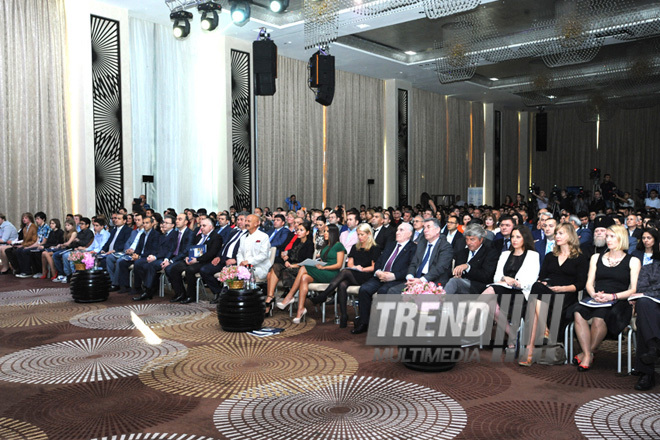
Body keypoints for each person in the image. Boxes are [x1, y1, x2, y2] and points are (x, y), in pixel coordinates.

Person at [572, 224, 641, 372]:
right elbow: (589, 283)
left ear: (621, 238)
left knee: (599, 317)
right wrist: (594, 294)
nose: (607, 239)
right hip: (596, 297)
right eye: (607, 236)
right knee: (578, 311)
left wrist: (613, 296)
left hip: (619, 299)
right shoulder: (596, 257)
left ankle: (586, 355)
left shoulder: (633, 260)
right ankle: (588, 353)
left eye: (612, 236)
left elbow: (633, 289)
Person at [520, 224, 589, 366]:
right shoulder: (550, 256)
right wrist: (545, 283)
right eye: (556, 233)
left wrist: (563, 288)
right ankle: (543, 330)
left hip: (566, 296)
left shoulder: (580, 258)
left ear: (570, 236)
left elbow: (581, 284)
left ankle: (530, 350)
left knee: (534, 305)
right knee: (537, 286)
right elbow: (542, 277)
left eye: (561, 233)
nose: (557, 236)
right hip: (547, 293)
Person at [479, 224, 540, 348]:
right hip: (503, 289)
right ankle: (512, 335)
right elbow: (496, 278)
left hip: (520, 292)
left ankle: (467, 319)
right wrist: (504, 278)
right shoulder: (505, 254)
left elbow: (532, 280)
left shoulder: (533, 255)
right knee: (491, 300)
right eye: (512, 237)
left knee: (490, 291)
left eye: (518, 237)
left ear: (525, 238)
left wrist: (517, 282)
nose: (514, 239)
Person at [311, 223, 381, 328]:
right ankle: (344, 315)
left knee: (344, 272)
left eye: (362, 234)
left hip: (367, 276)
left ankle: (324, 295)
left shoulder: (375, 247)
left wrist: (361, 268)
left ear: (369, 234)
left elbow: (373, 267)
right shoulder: (355, 247)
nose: (360, 237)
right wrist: (355, 267)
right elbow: (350, 264)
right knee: (342, 284)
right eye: (358, 234)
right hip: (354, 273)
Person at [352, 223, 417, 334]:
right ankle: (364, 323)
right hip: (380, 276)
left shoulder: (413, 248)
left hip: (396, 279)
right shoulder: (391, 245)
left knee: (384, 291)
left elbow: (412, 267)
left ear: (409, 234)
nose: (397, 232)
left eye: (401, 230)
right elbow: (379, 261)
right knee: (364, 289)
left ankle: (383, 325)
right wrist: (378, 272)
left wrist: (394, 276)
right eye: (397, 230)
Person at [276, 224, 346, 324]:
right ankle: (300, 310)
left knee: (304, 268)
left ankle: (289, 296)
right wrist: (319, 264)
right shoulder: (325, 246)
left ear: (333, 233)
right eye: (325, 231)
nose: (325, 233)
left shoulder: (339, 245)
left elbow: (339, 265)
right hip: (322, 271)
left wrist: (324, 267)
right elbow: (323, 260)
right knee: (304, 277)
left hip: (332, 274)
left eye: (327, 231)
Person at [387, 218, 454, 294]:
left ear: (437, 230)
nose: (425, 230)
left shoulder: (445, 246)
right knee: (393, 291)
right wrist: (410, 277)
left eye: (428, 227)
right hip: (416, 279)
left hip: (433, 281)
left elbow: (439, 268)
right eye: (424, 227)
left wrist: (421, 280)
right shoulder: (422, 244)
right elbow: (414, 263)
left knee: (419, 296)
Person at [264, 221, 314, 315]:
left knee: (271, 273)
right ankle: (270, 297)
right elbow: (290, 255)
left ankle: (270, 299)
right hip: (291, 266)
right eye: (298, 230)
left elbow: (307, 262)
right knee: (275, 265)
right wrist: (286, 260)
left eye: (301, 230)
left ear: (307, 232)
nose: (298, 232)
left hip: (300, 269)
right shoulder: (297, 241)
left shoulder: (309, 244)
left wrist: (293, 265)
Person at [170, 217, 223, 304]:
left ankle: (191, 296)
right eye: (201, 225)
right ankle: (180, 293)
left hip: (204, 261)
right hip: (192, 259)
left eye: (204, 225)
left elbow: (212, 253)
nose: (201, 227)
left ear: (211, 227)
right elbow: (191, 248)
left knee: (190, 270)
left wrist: (197, 260)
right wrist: (187, 257)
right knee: (174, 269)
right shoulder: (198, 237)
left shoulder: (216, 237)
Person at [628, 254, 660, 390]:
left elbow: (648, 291)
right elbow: (641, 289)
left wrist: (652, 292)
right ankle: (654, 348)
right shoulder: (649, 267)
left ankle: (647, 371)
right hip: (653, 309)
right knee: (643, 304)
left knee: (645, 317)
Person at [444, 224, 499, 295]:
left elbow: (486, 276)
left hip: (478, 286)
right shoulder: (462, 252)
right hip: (460, 284)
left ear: (481, 239)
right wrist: (457, 275)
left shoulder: (490, 253)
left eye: (472, 239)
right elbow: (454, 270)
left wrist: (468, 267)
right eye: (467, 239)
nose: (468, 242)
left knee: (454, 282)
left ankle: (438, 303)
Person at [236, 214, 273, 280]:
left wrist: (248, 262)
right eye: (246, 221)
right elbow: (239, 253)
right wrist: (241, 263)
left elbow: (263, 255)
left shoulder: (263, 236)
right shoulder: (243, 237)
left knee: (242, 273)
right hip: (244, 266)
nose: (246, 223)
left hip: (259, 267)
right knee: (230, 272)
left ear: (256, 223)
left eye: (249, 221)